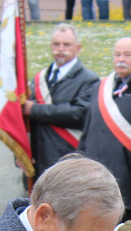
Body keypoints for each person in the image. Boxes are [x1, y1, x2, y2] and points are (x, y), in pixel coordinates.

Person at [77, 37, 131, 222]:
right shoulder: (99, 87)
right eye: (117, 54)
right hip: (94, 177)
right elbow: (87, 132)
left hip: (127, 179)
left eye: (128, 55)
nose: (121, 59)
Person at [23, 24, 98, 181]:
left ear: (78, 48)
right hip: (38, 159)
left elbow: (79, 114)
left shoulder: (88, 79)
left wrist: (35, 110)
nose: (61, 48)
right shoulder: (39, 79)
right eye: (56, 44)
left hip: (67, 159)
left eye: (66, 44)